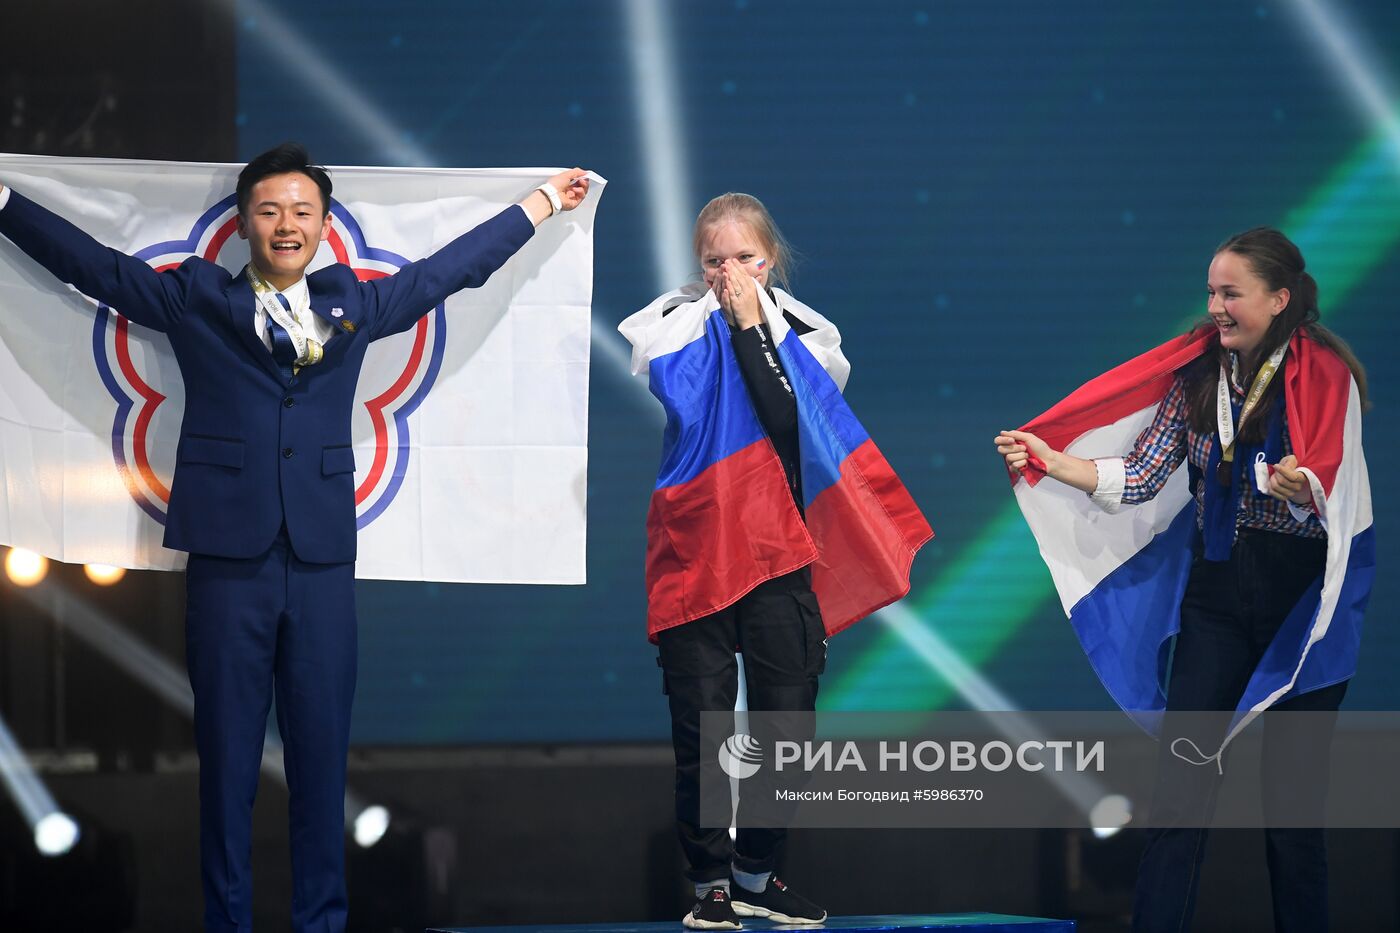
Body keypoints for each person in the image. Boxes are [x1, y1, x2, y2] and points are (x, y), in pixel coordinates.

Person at [0, 143, 590, 933]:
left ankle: (321, 922)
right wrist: (4, 205)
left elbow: (450, 271)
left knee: (320, 766)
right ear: (244, 223)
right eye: (271, 210)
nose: (287, 225)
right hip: (227, 562)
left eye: (302, 212)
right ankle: (228, 922)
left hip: (318, 563)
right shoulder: (196, 297)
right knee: (229, 767)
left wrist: (540, 205)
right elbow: (94, 267)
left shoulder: (353, 302)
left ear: (324, 225)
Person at [995, 227, 1371, 933]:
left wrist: (1301, 486)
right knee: (1179, 799)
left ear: (1279, 297)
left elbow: (1333, 486)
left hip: (1302, 607)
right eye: (1211, 292)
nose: (1216, 307)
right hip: (1219, 598)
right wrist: (1052, 459)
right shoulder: (1201, 378)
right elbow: (1138, 476)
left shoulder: (1325, 376)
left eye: (1231, 293)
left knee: (1291, 813)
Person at [621, 194, 932, 930]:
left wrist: (758, 330)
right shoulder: (669, 331)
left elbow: (791, 414)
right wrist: (733, 325)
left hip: (781, 552)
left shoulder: (810, 337)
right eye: (714, 260)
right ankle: (709, 884)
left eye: (745, 259)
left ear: (772, 261)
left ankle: (756, 875)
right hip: (696, 552)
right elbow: (684, 396)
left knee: (786, 733)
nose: (729, 274)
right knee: (703, 733)